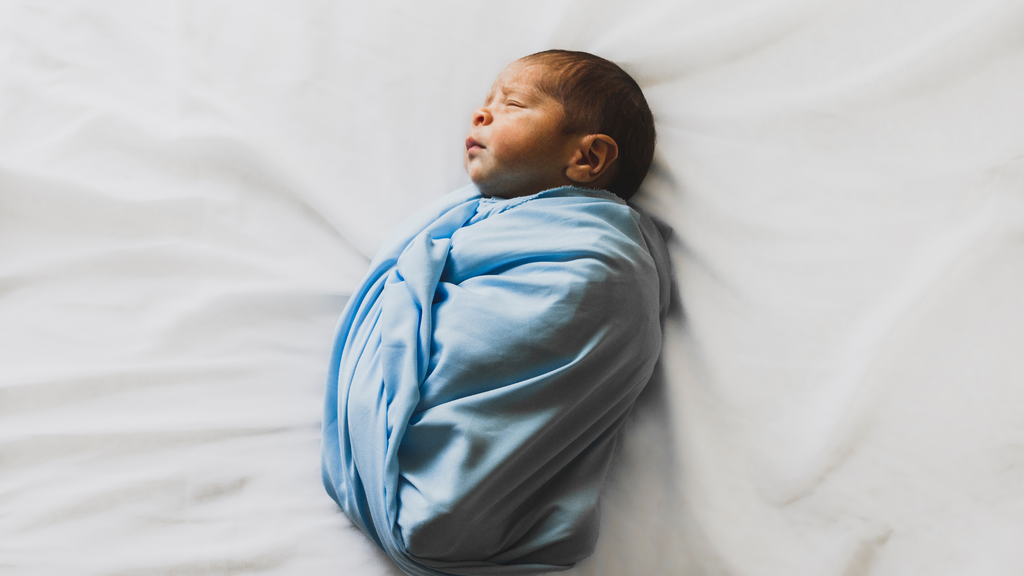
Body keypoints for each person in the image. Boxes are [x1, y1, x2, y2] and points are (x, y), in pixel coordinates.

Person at [322, 50, 671, 576]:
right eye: (486, 103)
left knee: (445, 515)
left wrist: (416, 289)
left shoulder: (599, 260)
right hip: (440, 518)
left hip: (466, 513)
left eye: (511, 104)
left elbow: (524, 331)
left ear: (588, 159)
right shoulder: (472, 219)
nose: (481, 115)